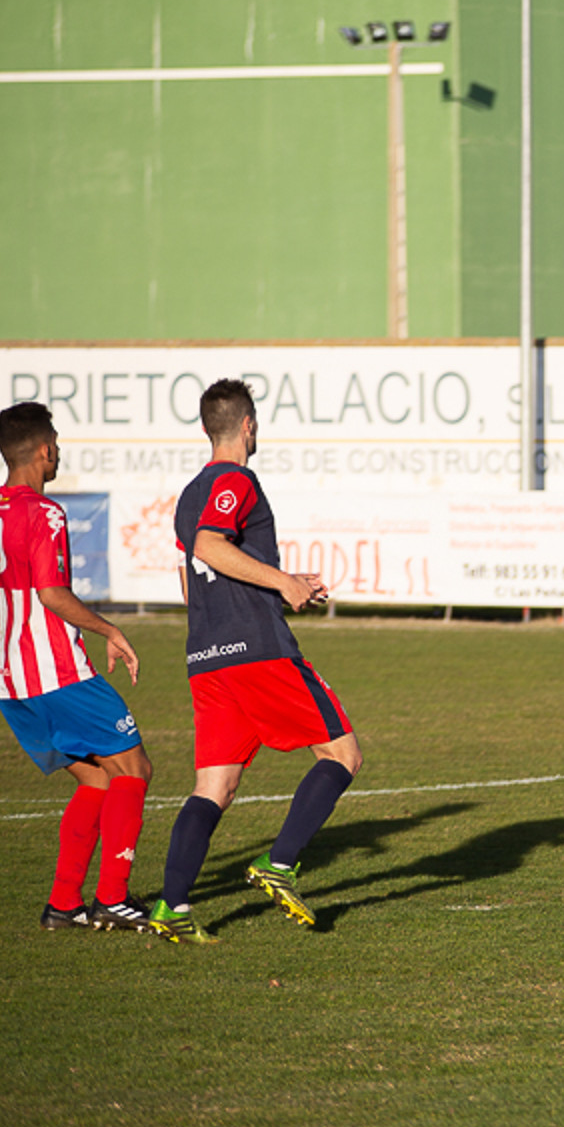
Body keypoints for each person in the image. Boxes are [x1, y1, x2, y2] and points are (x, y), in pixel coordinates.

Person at [149, 378, 363, 945]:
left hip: (207, 655)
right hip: (256, 652)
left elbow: (193, 576)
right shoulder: (234, 479)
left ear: (205, 427)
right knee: (342, 752)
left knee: (213, 787)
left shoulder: (190, 491)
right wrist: (284, 583)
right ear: (248, 426)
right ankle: (280, 864)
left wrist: (275, 590)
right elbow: (210, 546)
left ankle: (172, 906)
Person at [0, 403, 154, 932]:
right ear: (45, 451)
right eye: (57, 444)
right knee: (134, 770)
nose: (58, 453)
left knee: (97, 780)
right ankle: (113, 898)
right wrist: (110, 630)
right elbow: (52, 594)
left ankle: (64, 905)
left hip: (12, 683)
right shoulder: (44, 514)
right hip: (58, 674)